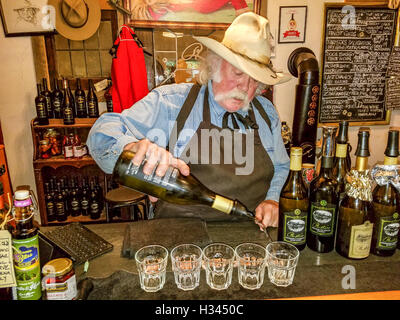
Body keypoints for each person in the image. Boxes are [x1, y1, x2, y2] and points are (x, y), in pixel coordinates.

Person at [87, 12, 291, 229]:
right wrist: (131, 148)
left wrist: (272, 199)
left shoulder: (266, 113)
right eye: (238, 73)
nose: (245, 88)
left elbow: (280, 165)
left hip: (249, 239)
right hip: (178, 241)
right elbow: (100, 136)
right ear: (215, 65)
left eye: (254, 80)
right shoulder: (170, 103)